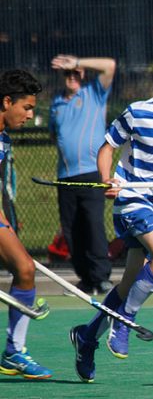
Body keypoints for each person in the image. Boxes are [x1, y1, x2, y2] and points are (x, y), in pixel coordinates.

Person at [69, 51, 153, 383]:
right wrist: (107, 179)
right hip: (133, 198)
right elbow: (107, 146)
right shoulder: (137, 113)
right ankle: (125, 320)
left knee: (130, 281)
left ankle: (87, 338)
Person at [49, 54, 116, 295]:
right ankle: (86, 280)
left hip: (91, 174)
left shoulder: (93, 95)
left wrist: (77, 62)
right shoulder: (56, 103)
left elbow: (110, 66)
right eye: (67, 73)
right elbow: (54, 135)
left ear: (83, 74)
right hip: (65, 177)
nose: (72, 77)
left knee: (93, 225)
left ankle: (101, 278)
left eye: (76, 73)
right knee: (71, 230)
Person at [0, 69, 52, 379]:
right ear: (7, 102)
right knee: (26, 269)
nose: (30, 115)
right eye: (27, 107)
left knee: (25, 269)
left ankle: (14, 352)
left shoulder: (3, 140)